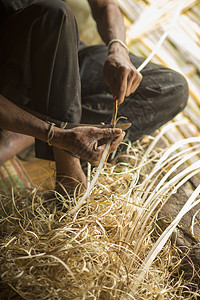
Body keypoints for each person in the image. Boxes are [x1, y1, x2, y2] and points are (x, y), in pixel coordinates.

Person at [0, 0, 188, 195]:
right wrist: (56, 135)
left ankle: (30, 132)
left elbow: (106, 5)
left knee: (172, 87)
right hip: (10, 77)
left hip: (66, 53)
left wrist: (118, 49)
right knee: (55, 14)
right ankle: (68, 168)